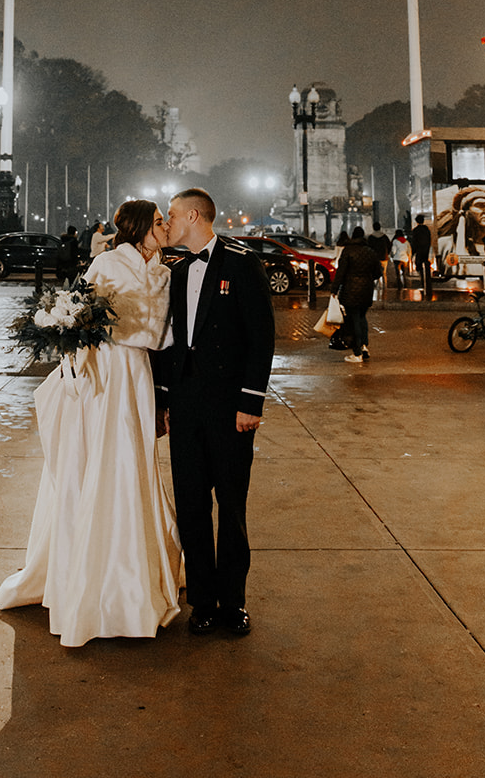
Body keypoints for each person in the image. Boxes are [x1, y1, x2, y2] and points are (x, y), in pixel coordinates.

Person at [0, 199, 182, 645]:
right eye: (159, 222)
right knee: (102, 456)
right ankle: (93, 575)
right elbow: (81, 321)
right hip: (104, 372)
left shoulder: (164, 271)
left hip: (137, 374)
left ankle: (134, 568)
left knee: (133, 459)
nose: (165, 227)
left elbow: (164, 337)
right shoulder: (107, 264)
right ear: (141, 228)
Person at [158, 187, 275, 638]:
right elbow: (170, 344)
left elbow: (261, 337)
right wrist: (165, 401)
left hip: (230, 410)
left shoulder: (242, 262)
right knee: (191, 507)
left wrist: (251, 401)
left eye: (171, 215)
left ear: (193, 216)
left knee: (231, 506)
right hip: (186, 408)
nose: (167, 223)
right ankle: (203, 603)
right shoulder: (177, 270)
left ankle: (234, 603)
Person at [333, 226, 381, 363]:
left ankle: (357, 352)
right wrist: (367, 278)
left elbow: (341, 272)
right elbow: (378, 272)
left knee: (353, 321)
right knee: (362, 318)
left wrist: (334, 289)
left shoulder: (348, 251)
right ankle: (364, 346)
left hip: (350, 290)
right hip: (367, 290)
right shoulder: (370, 252)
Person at [409, 213, 433, 296]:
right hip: (426, 250)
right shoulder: (427, 229)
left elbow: (414, 242)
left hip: (419, 251)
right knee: (426, 265)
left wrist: (413, 253)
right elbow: (429, 240)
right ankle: (427, 282)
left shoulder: (415, 230)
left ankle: (423, 282)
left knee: (419, 266)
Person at [368, 221, 392, 294]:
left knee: (374, 272)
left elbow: (368, 248)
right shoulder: (384, 237)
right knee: (384, 273)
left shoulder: (371, 237)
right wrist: (387, 253)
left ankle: (377, 286)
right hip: (384, 257)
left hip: (374, 258)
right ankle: (385, 287)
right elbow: (389, 246)